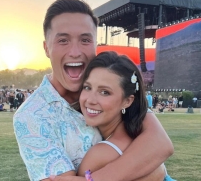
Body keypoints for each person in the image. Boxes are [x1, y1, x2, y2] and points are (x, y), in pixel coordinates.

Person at [13, 0, 173, 181]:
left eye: (85, 40)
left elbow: (161, 144)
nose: (75, 51)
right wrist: (149, 169)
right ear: (46, 48)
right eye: (63, 40)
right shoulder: (32, 116)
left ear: (96, 45)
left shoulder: (109, 81)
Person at [69, 51, 174, 180]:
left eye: (104, 92)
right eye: (87, 87)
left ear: (127, 101)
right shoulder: (139, 131)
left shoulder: (101, 153)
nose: (90, 100)